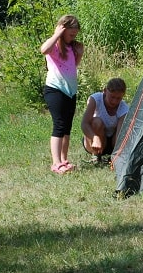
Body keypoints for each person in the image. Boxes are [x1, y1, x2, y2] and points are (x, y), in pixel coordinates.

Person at [41, 15, 84, 174]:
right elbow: (43, 49)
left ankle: (64, 160)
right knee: (59, 125)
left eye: (75, 34)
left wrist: (79, 53)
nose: (74, 37)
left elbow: (73, 66)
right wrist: (56, 34)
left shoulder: (72, 47)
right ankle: (56, 163)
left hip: (70, 91)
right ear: (62, 30)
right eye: (71, 34)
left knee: (67, 127)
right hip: (55, 89)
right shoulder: (54, 47)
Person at [81, 77, 129, 163]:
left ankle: (114, 155)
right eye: (112, 97)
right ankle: (95, 155)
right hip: (94, 139)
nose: (114, 101)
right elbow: (84, 124)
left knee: (123, 130)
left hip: (112, 143)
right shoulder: (95, 99)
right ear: (105, 91)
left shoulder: (124, 108)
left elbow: (119, 135)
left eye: (118, 98)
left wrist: (117, 152)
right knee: (96, 122)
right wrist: (94, 138)